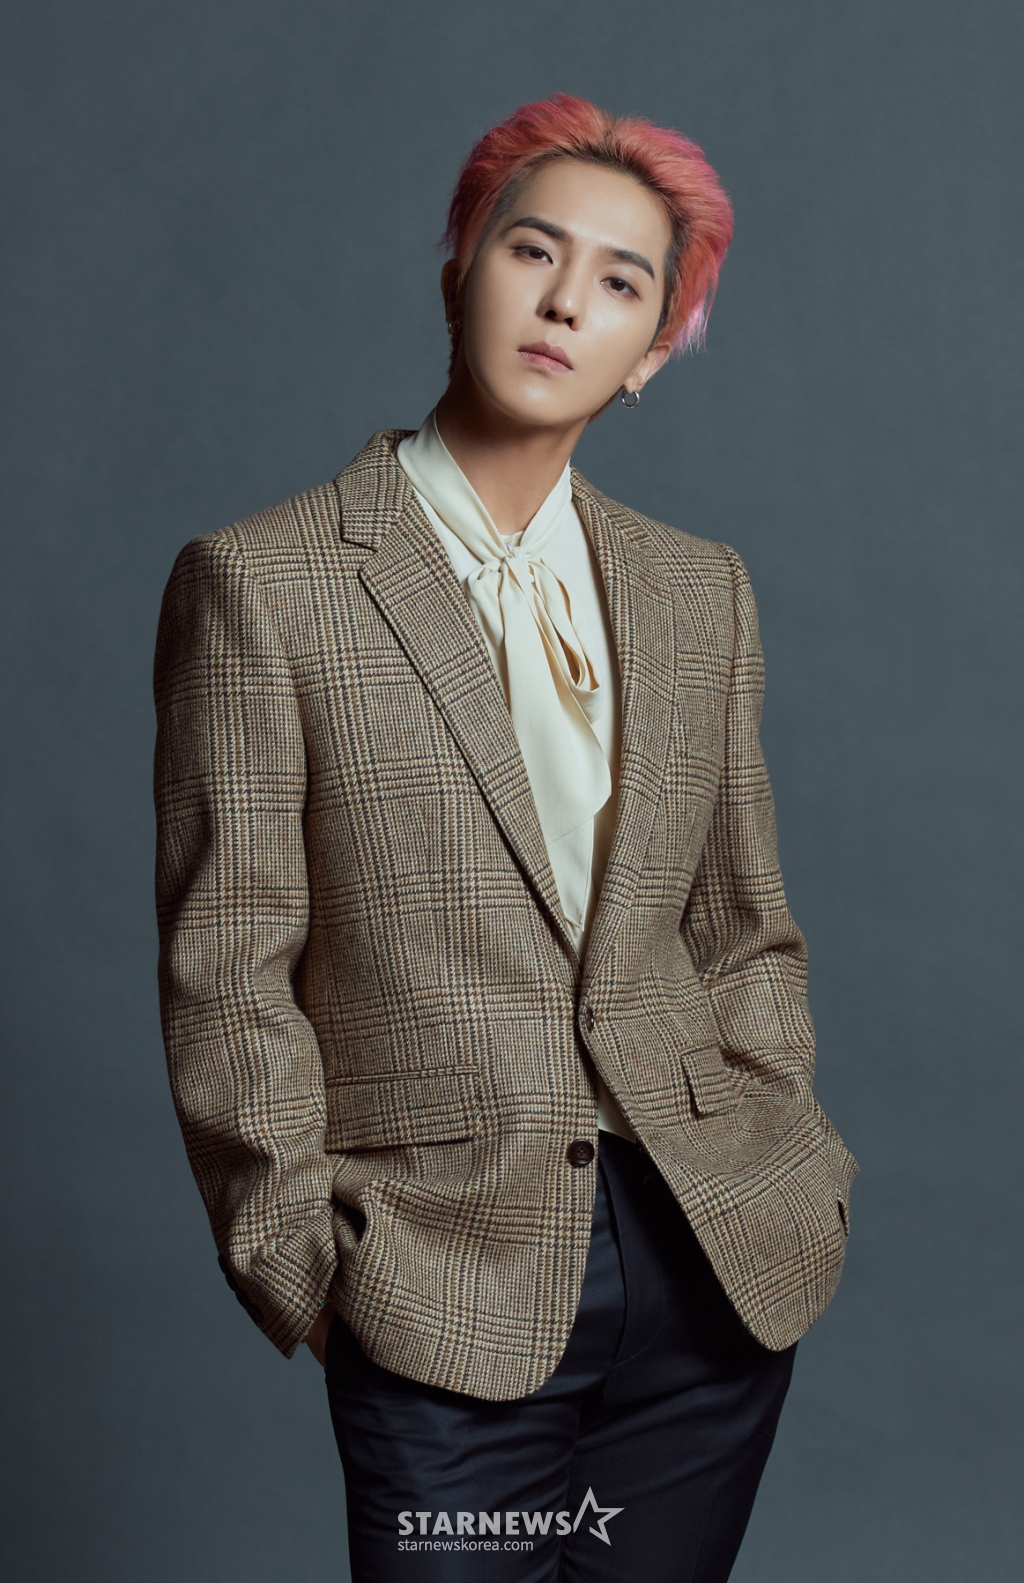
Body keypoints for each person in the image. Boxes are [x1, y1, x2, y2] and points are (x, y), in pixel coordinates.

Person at [154, 94, 857, 1583]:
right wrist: (306, 1264)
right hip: (437, 1280)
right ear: (458, 270)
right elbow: (229, 966)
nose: (565, 302)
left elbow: (744, 922)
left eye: (621, 281)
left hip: (708, 1266)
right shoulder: (266, 584)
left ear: (652, 349)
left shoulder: (696, 590)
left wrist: (789, 1152)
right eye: (532, 251)